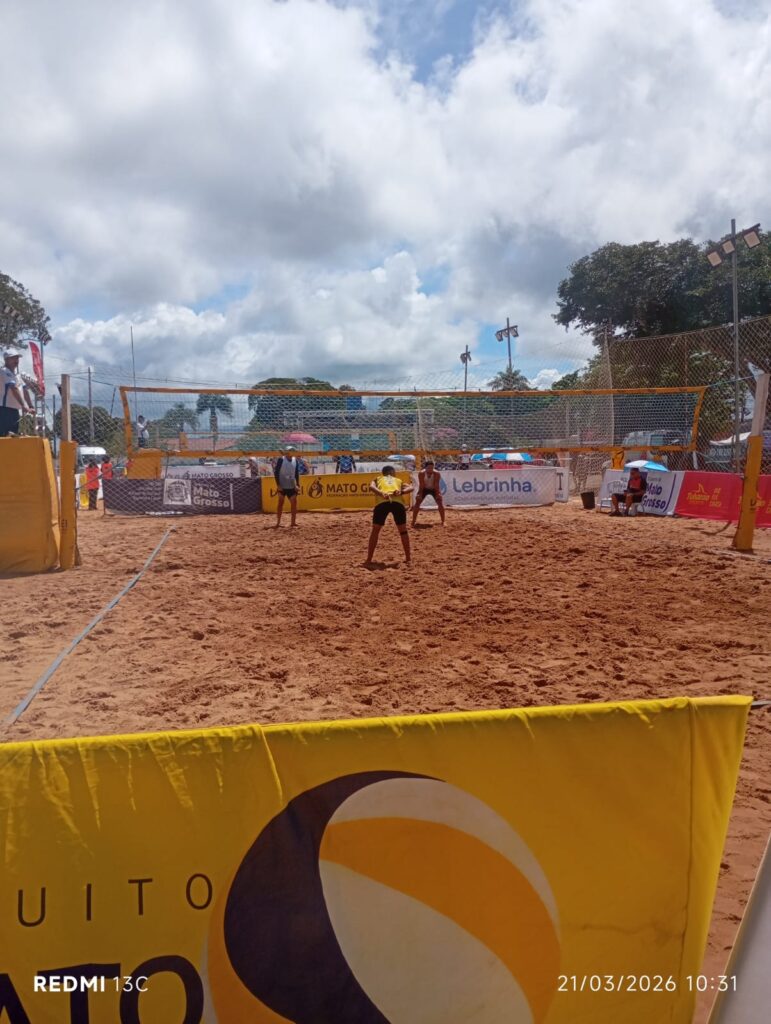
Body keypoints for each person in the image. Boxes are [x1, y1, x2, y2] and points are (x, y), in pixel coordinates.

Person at [366, 465, 414, 564]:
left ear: (383, 473)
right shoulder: (398, 480)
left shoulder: (377, 479)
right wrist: (401, 492)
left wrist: (381, 493)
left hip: (382, 502)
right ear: (392, 472)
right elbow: (411, 487)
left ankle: (369, 559)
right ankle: (408, 558)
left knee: (375, 530)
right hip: (397, 503)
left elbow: (371, 487)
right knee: (403, 531)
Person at [0, 349, 35, 437]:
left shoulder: (17, 374)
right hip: (4, 408)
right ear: (6, 360)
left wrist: (30, 406)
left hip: (14, 409)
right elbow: (13, 388)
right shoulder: (3, 371)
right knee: (4, 436)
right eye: (13, 358)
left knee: (13, 435)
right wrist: (23, 405)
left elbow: (24, 390)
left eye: (17, 358)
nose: (16, 360)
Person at [412, 459, 445, 527]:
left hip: (434, 489)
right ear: (425, 468)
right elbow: (421, 485)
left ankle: (443, 521)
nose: (430, 469)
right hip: (424, 489)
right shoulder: (421, 473)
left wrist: (438, 494)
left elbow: (436, 485)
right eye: (429, 468)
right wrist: (419, 494)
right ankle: (413, 521)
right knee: (417, 502)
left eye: (432, 468)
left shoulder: (436, 473)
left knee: (440, 502)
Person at [273, 445, 301, 527]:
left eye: (292, 451)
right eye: (290, 450)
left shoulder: (295, 460)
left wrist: (297, 484)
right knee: (280, 503)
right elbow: (276, 473)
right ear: (286, 452)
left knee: (294, 503)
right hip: (282, 485)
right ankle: (278, 523)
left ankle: (293, 523)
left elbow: (296, 473)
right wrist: (278, 485)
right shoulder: (281, 459)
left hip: (291, 485)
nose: (291, 452)